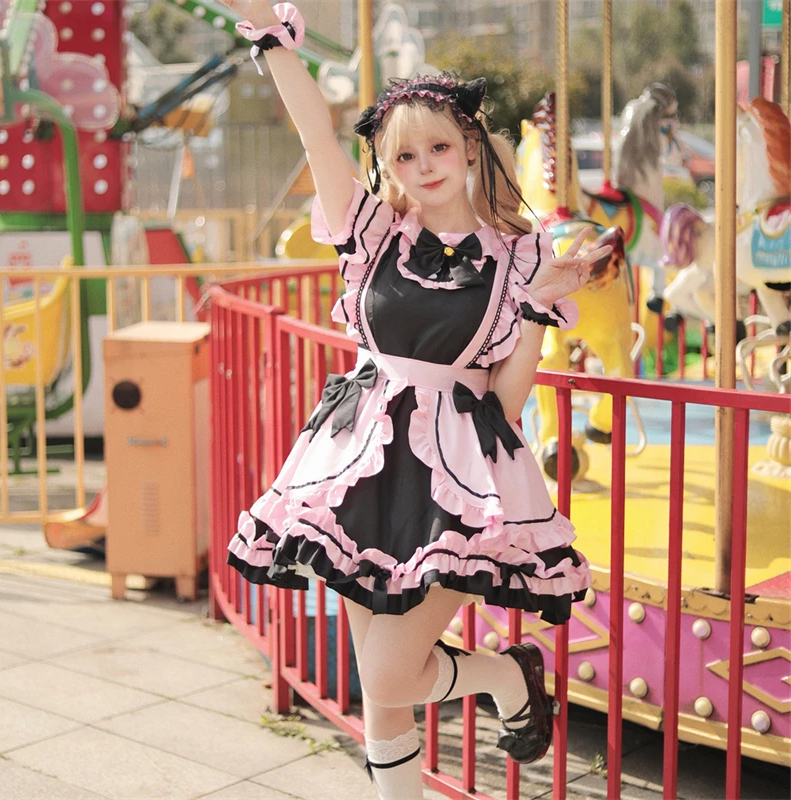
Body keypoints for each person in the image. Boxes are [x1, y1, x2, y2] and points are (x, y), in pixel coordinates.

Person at [222, 3, 608, 797]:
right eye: (404, 155)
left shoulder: (516, 257)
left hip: (457, 487)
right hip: (358, 470)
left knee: (393, 676)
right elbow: (315, 138)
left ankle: (505, 677)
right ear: (388, 165)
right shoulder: (372, 235)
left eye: (438, 146)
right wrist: (272, 40)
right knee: (381, 692)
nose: (424, 165)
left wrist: (537, 308)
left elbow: (502, 399)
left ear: (469, 144)